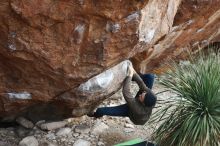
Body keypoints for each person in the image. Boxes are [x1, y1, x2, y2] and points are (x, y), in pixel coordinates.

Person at [88, 65, 157, 125]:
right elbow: (141, 84)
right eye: (143, 93)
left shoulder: (138, 109)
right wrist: (133, 72)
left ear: (143, 102)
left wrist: (129, 75)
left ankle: (94, 115)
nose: (140, 94)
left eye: (141, 96)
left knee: (101, 111)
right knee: (150, 76)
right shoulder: (151, 96)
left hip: (132, 113)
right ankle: (131, 77)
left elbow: (126, 92)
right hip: (140, 103)